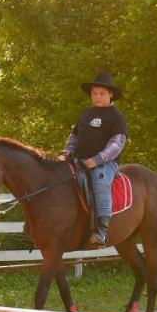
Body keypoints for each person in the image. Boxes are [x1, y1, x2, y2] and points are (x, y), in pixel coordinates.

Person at [57, 72, 128, 244]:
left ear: (110, 94)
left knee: (100, 183)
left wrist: (96, 160)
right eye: (94, 93)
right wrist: (66, 152)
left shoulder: (116, 117)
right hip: (79, 159)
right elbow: (74, 137)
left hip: (105, 163)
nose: (97, 97)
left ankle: (102, 230)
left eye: (101, 93)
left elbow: (117, 144)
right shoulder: (86, 114)